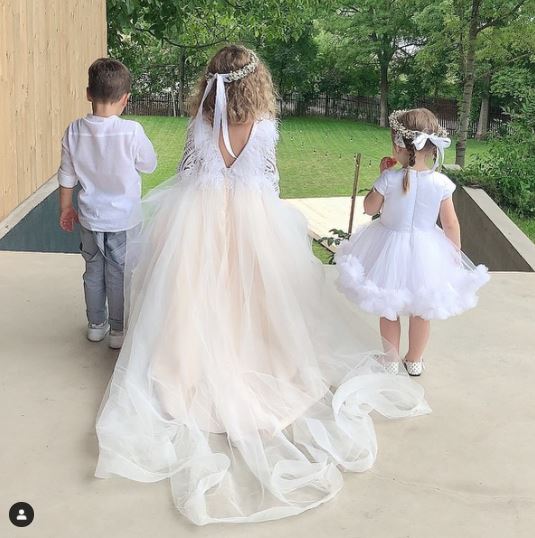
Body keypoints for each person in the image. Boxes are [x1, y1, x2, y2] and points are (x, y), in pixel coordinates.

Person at [94, 45, 430, 525]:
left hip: (200, 216)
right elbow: (270, 182)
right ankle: (256, 357)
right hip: (253, 218)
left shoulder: (200, 125)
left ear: (210, 85)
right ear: (256, 85)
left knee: (193, 290)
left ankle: (190, 363)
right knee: (256, 292)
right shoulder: (265, 127)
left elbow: (187, 172)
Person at [335, 108, 490, 376]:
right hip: (427, 252)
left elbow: (370, 209)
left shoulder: (389, 179)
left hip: (388, 250)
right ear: (431, 148)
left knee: (389, 308)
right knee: (422, 310)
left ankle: (390, 360)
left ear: (398, 146)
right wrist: (453, 253)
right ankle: (414, 360)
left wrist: (380, 177)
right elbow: (451, 224)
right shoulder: (441, 182)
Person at [58, 58, 157, 349]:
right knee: (119, 274)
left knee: (92, 271)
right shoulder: (131, 131)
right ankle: (117, 330)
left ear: (88, 93)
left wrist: (65, 208)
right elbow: (149, 164)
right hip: (123, 221)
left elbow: (66, 175)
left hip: (90, 218)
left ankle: (95, 325)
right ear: (126, 99)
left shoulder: (74, 130)